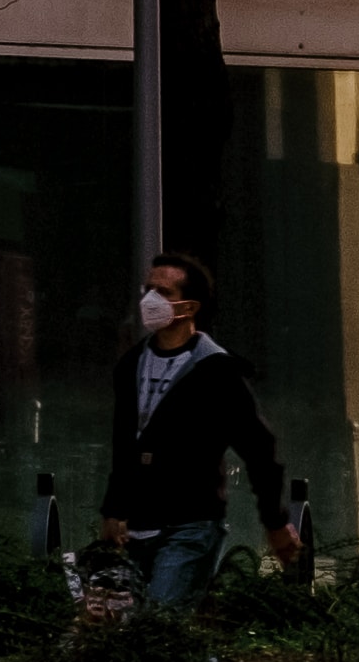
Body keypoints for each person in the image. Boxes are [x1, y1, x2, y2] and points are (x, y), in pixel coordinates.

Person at [93, 252, 298, 613]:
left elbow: (259, 450)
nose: (150, 299)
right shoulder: (131, 365)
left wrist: (275, 522)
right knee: (141, 637)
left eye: (163, 292)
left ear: (189, 307)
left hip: (191, 525)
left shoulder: (216, 372)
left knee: (160, 628)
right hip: (138, 525)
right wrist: (114, 510)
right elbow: (124, 444)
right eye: (148, 289)